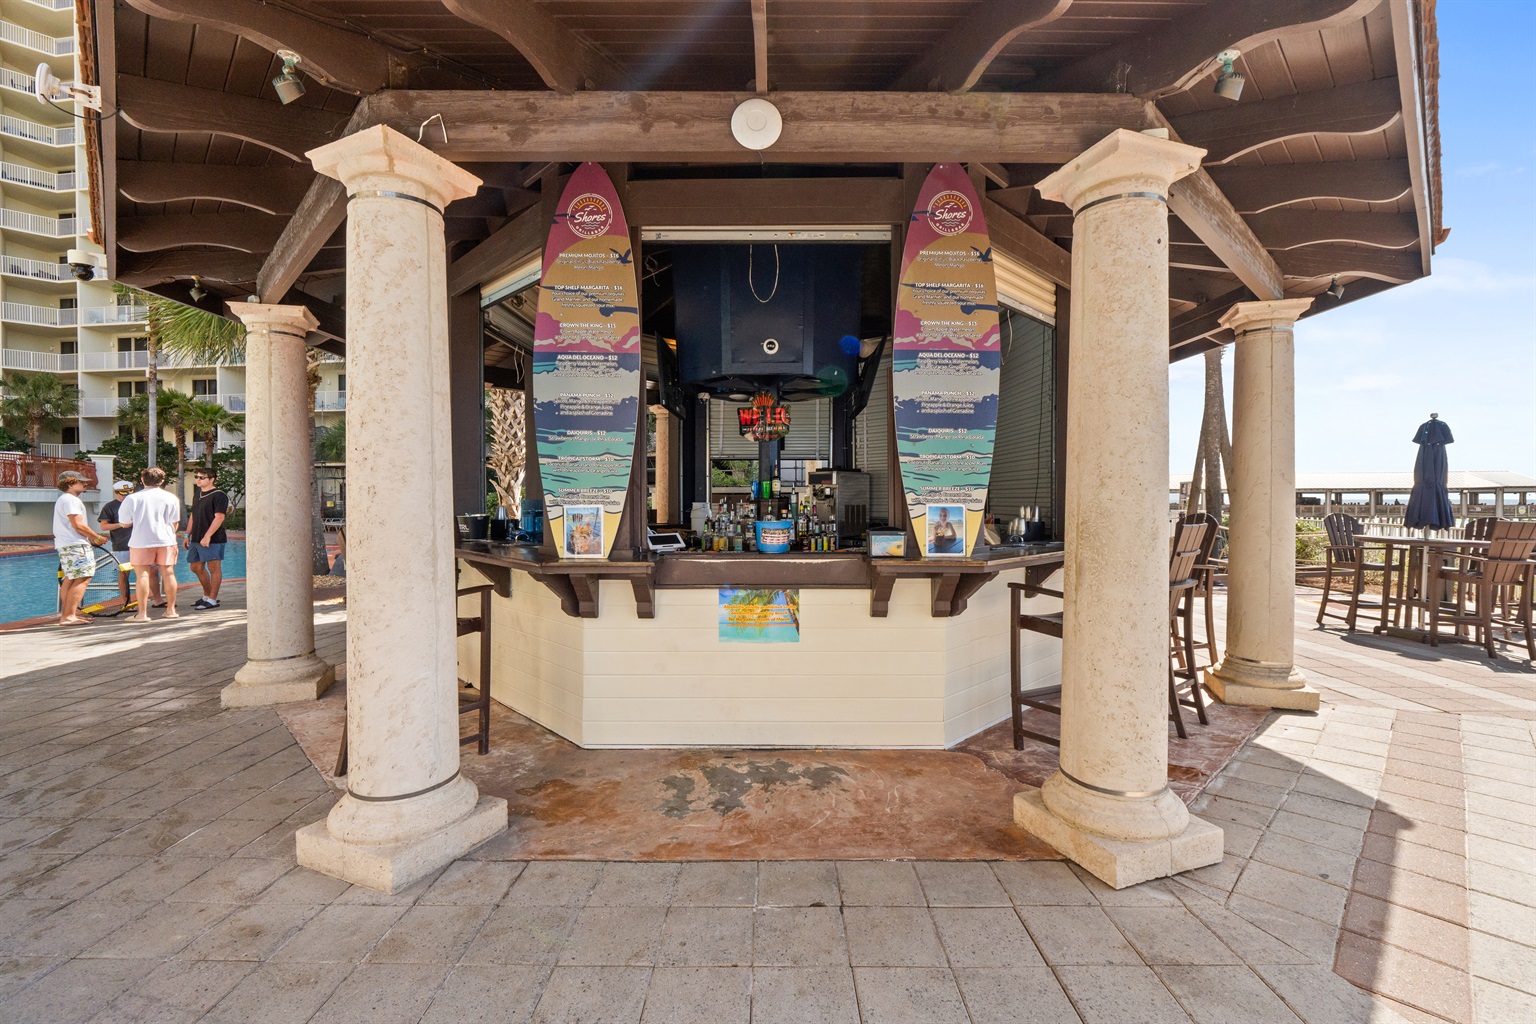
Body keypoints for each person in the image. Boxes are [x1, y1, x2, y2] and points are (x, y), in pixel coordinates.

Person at [118, 466, 183, 622]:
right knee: (168, 573)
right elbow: (175, 522)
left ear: (142, 480)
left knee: (142, 575)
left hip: (141, 540)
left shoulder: (132, 498)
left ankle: (142, 614)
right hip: (166, 540)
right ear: (161, 481)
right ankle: (171, 610)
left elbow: (124, 523)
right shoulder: (171, 498)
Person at [52, 471, 108, 626]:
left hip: (67, 544)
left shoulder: (64, 499)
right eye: (81, 482)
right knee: (83, 577)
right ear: (70, 484)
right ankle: (69, 616)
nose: (85, 484)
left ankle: (71, 613)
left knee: (71, 577)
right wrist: (95, 537)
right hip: (75, 544)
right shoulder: (70, 500)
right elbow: (78, 524)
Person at [98, 479, 161, 612]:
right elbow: (103, 526)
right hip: (122, 544)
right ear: (116, 493)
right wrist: (121, 524)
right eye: (122, 493)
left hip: (142, 543)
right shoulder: (110, 507)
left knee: (153, 571)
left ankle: (158, 599)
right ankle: (126, 601)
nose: (126, 496)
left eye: (128, 492)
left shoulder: (138, 502)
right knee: (124, 574)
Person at [184, 467, 229, 609]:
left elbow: (220, 517)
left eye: (201, 477)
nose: (198, 479)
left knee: (213, 568)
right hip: (196, 538)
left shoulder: (219, 495)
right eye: (197, 477)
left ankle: (212, 600)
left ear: (211, 479)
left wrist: (207, 536)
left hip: (213, 538)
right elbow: (194, 515)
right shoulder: (198, 494)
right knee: (195, 566)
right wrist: (187, 534)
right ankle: (207, 595)